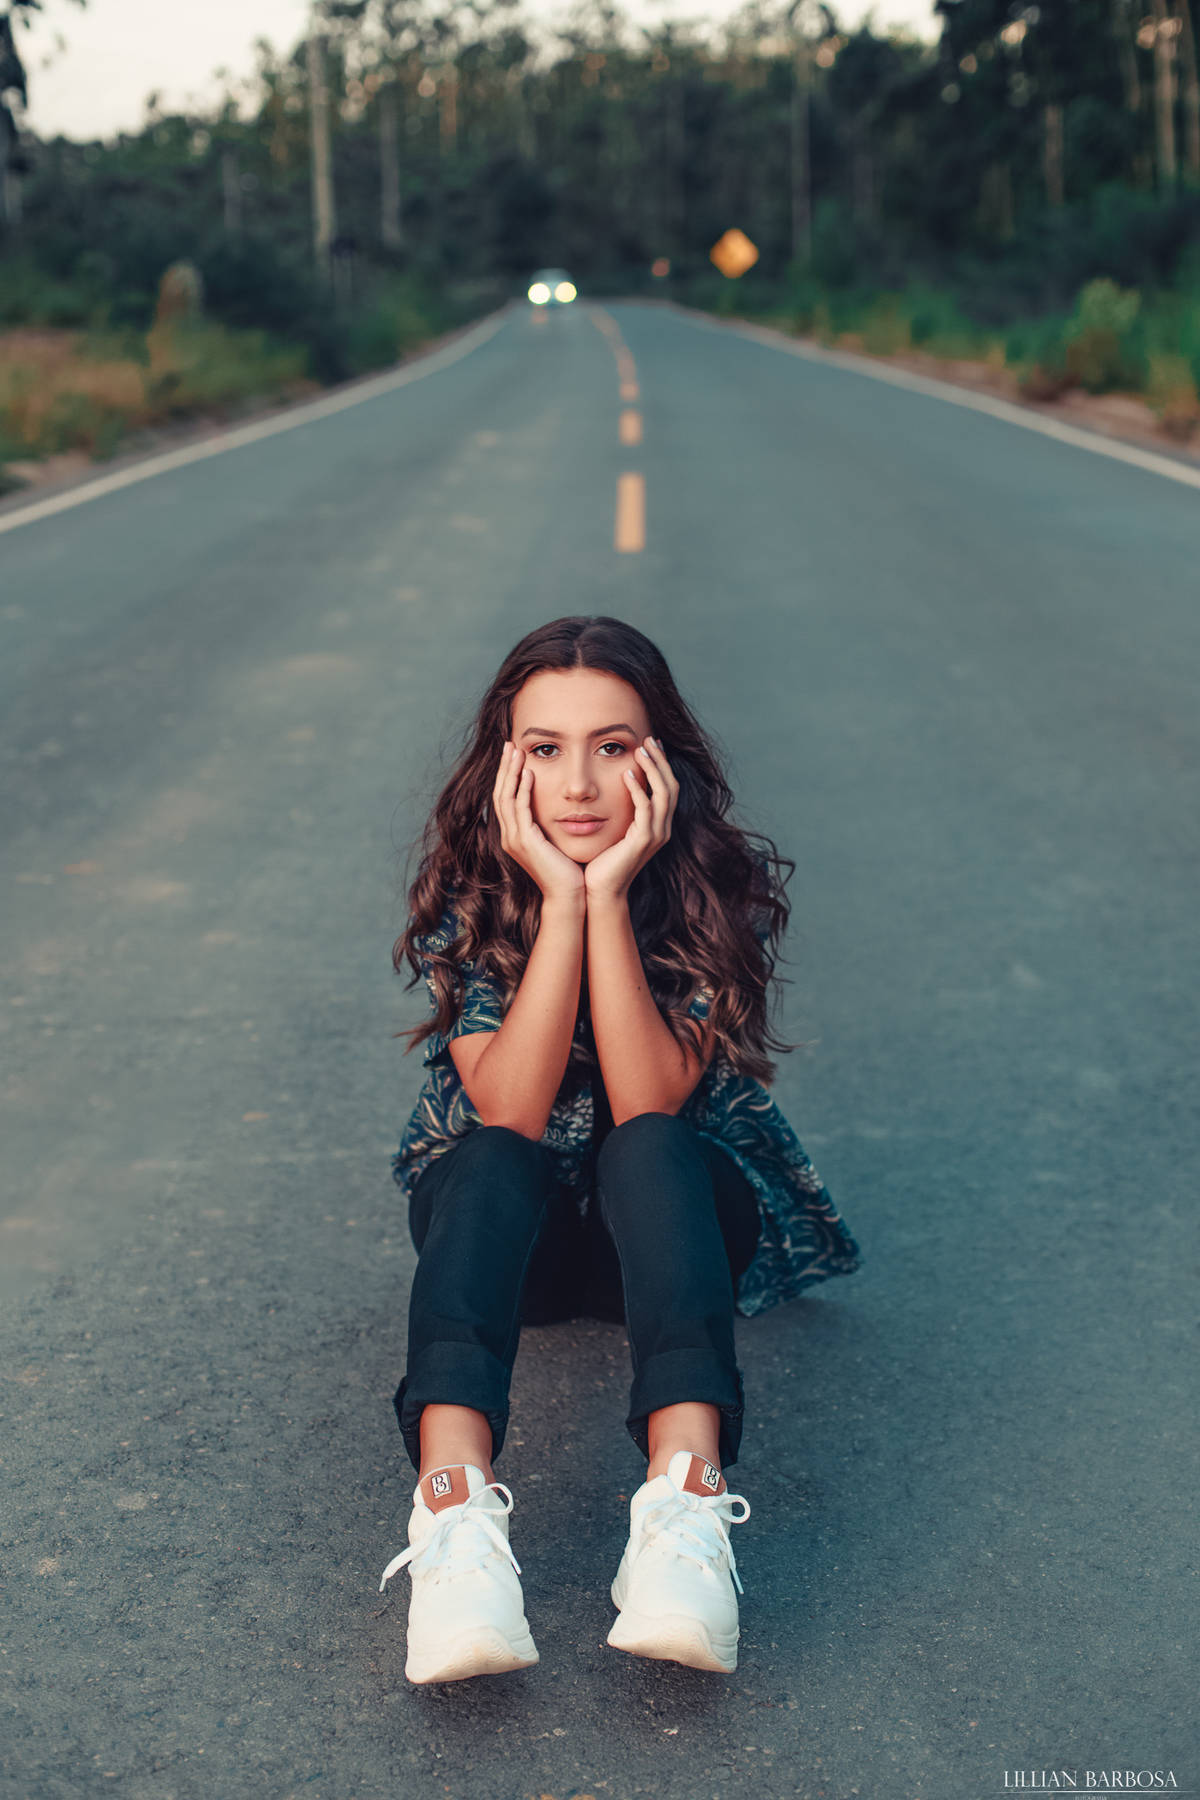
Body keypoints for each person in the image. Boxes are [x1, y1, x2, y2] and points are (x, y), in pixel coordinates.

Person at [379, 616, 860, 1685]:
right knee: (490, 1157)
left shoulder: (711, 886)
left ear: (660, 759)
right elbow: (508, 1105)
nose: (580, 783)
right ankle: (455, 1532)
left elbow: (651, 1097)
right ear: (506, 766)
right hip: (522, 1243)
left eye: (612, 745)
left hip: (675, 1221)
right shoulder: (472, 889)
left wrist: (610, 893)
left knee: (647, 1144)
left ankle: (686, 1512)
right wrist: (561, 897)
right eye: (545, 749)